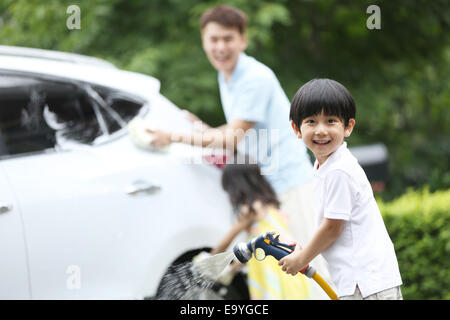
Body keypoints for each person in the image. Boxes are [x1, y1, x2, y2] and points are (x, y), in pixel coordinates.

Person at [147, 5, 330, 286]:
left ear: (243, 40)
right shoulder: (227, 76)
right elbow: (236, 136)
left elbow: (232, 138)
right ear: (204, 41)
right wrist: (201, 128)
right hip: (267, 190)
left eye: (228, 39)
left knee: (312, 273)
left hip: (291, 184)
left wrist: (171, 136)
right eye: (214, 39)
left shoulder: (254, 77)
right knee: (284, 279)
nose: (221, 47)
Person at [278, 78, 403, 300]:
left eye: (331, 121)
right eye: (311, 121)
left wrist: (301, 259)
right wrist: (303, 249)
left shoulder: (339, 171)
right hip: (362, 282)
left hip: (366, 284)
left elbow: (332, 229)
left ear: (348, 127)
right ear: (296, 129)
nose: (321, 130)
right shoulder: (325, 167)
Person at [206, 158, 312, 300]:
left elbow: (226, 241)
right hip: (288, 267)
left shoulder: (250, 210)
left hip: (272, 273)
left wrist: (207, 262)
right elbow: (255, 248)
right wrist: (232, 270)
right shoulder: (270, 204)